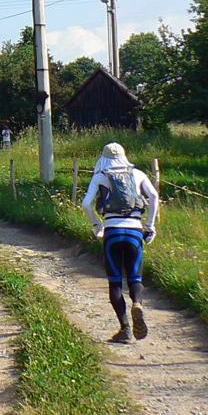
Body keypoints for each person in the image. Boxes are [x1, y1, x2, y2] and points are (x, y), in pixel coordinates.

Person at [81, 142, 160, 343]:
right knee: (135, 278)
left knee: (115, 281)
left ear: (104, 158)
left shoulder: (100, 176)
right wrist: (149, 225)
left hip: (112, 232)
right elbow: (153, 196)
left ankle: (125, 329)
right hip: (135, 231)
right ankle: (137, 303)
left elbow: (86, 204)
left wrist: (96, 225)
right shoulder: (138, 174)